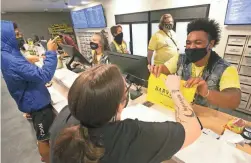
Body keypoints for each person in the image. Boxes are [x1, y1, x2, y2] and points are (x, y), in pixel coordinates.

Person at [50, 64, 201, 163]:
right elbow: (192, 129)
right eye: (126, 89)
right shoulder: (129, 137)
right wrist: (175, 90)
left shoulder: (65, 114)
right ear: (119, 105)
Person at [149, 18, 241, 110]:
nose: (192, 47)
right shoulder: (180, 58)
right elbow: (164, 70)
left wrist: (206, 92)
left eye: (198, 42)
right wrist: (157, 70)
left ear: (211, 44)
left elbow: (234, 101)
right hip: (180, 109)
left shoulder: (226, 69)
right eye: (188, 43)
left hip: (204, 115)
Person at [1, 20, 58, 163]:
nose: (21, 35)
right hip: (38, 106)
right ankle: (48, 159)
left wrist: (26, 61)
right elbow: (44, 76)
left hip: (29, 100)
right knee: (44, 139)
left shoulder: (7, 54)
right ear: (7, 37)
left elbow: (16, 69)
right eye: (17, 34)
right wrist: (51, 52)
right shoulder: (14, 60)